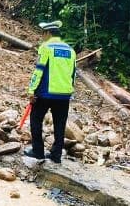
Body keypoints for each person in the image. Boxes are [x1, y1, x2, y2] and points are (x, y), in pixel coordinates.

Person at [23, 21, 76, 164]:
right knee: (60, 124)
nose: (42, 36)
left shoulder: (46, 47)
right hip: (64, 95)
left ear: (48, 33)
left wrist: (31, 90)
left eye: (43, 33)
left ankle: (38, 151)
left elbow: (39, 70)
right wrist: (69, 91)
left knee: (36, 120)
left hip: (45, 93)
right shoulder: (71, 51)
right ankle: (56, 155)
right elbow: (73, 74)